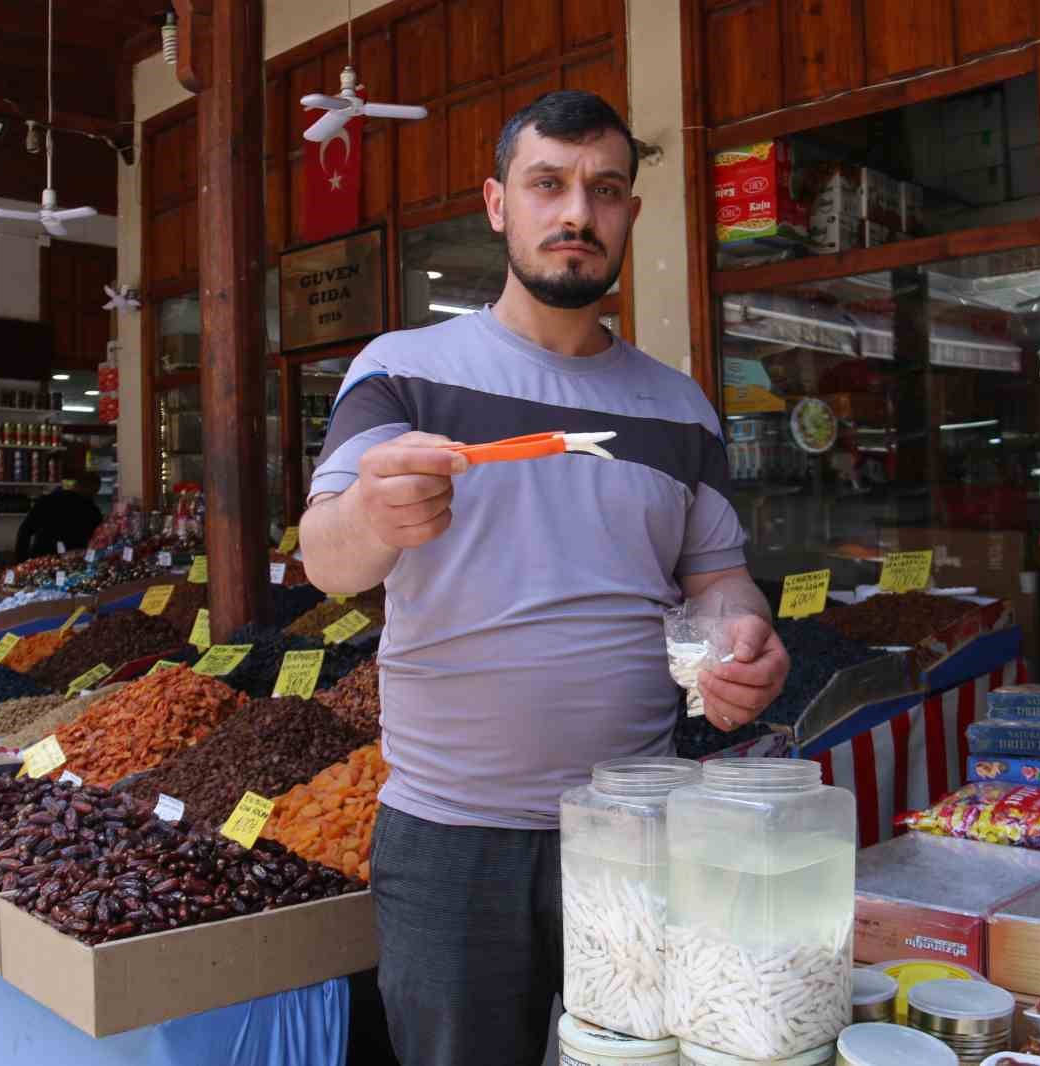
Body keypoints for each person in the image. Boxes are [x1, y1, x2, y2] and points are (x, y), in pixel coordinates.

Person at [300, 91, 791, 1066]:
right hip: (451, 837)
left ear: (630, 216)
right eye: (547, 184)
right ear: (497, 204)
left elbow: (718, 580)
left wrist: (743, 639)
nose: (576, 212)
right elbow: (326, 557)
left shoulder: (680, 407)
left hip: (641, 827)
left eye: (604, 190)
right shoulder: (402, 372)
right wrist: (372, 514)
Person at [14, 472, 102, 562]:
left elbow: (24, 531)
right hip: (73, 564)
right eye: (95, 492)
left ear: (76, 484)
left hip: (42, 560)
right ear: (93, 490)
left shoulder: (48, 500)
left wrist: (21, 561)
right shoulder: (92, 511)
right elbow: (97, 542)